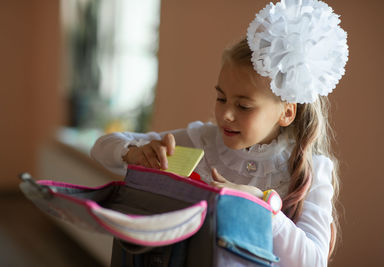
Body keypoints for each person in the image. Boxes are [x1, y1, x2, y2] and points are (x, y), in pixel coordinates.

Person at [90, 0, 348, 266]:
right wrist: (134, 153)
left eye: (244, 106)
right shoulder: (204, 141)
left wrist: (260, 205)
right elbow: (102, 146)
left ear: (287, 113)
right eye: (221, 98)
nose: (225, 114)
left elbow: (314, 260)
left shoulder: (311, 169)